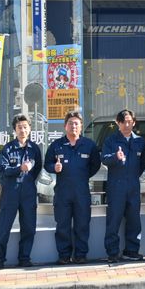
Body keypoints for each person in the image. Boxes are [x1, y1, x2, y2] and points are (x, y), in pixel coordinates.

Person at [44, 110, 101, 264]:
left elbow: (95, 165)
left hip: (81, 191)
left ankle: (80, 255)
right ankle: (64, 255)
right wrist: (54, 168)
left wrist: (82, 175)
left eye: (76, 123)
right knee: (62, 224)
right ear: (65, 126)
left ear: (81, 126)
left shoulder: (89, 145)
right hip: (63, 192)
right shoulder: (57, 145)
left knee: (82, 224)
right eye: (70, 123)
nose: (73, 126)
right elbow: (47, 163)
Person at [0, 114, 42, 269]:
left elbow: (37, 168)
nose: (22, 130)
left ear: (30, 129)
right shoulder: (8, 148)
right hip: (10, 193)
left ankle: (24, 258)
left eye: (25, 127)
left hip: (28, 192)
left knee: (28, 228)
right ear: (14, 129)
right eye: (19, 127)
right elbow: (3, 170)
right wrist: (19, 169)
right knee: (4, 228)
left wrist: (26, 177)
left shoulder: (34, 148)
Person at [102, 109, 145, 263]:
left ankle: (132, 250)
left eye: (130, 121)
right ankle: (113, 252)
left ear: (134, 122)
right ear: (118, 123)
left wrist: (134, 175)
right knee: (113, 220)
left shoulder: (140, 141)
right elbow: (104, 159)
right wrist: (116, 157)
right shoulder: (111, 140)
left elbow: (143, 162)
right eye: (124, 122)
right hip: (116, 186)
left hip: (133, 186)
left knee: (134, 220)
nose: (127, 125)